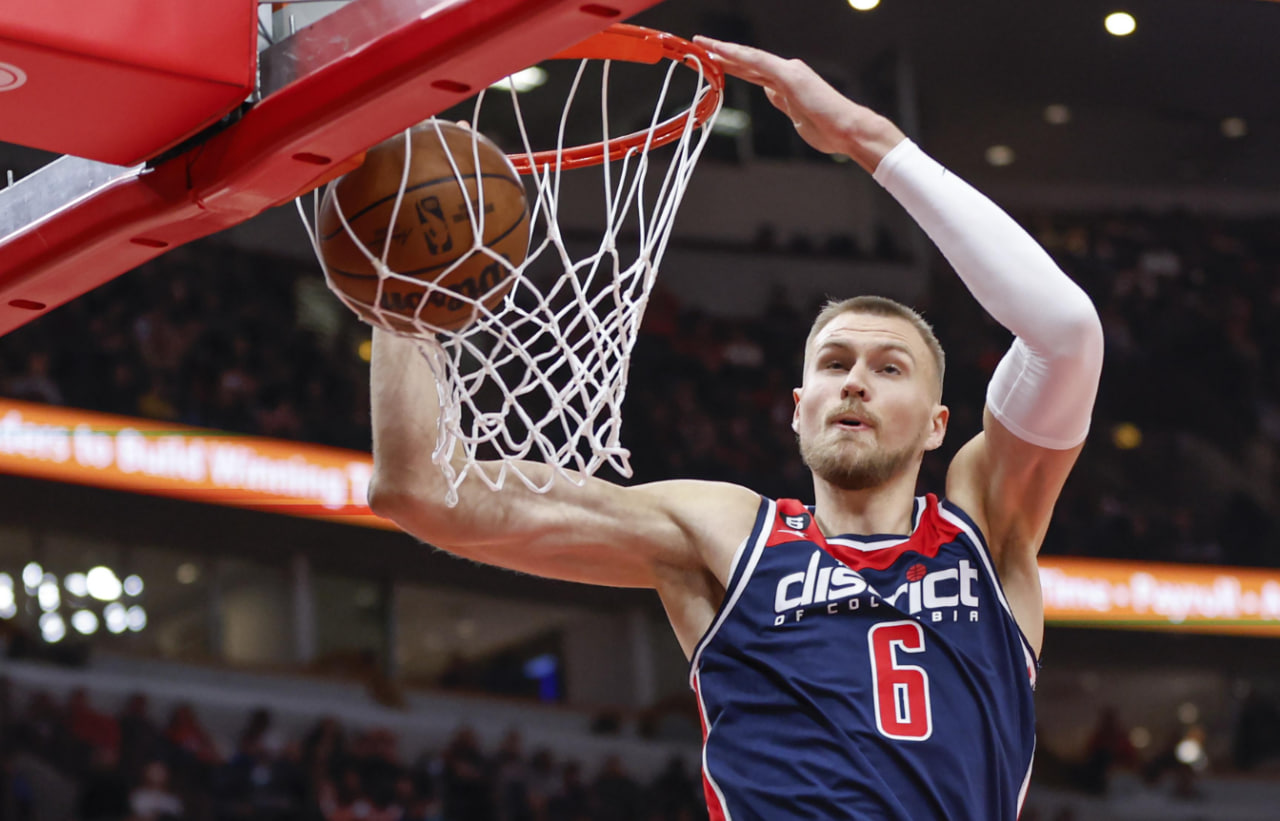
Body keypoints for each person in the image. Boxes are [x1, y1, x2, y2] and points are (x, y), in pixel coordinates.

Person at [367, 36, 1103, 821]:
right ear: (797, 407)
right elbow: (419, 491)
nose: (854, 378)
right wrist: (402, 295)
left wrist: (868, 138)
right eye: (833, 363)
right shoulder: (727, 536)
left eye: (889, 368)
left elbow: (1065, 329)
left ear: (937, 425)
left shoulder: (986, 526)